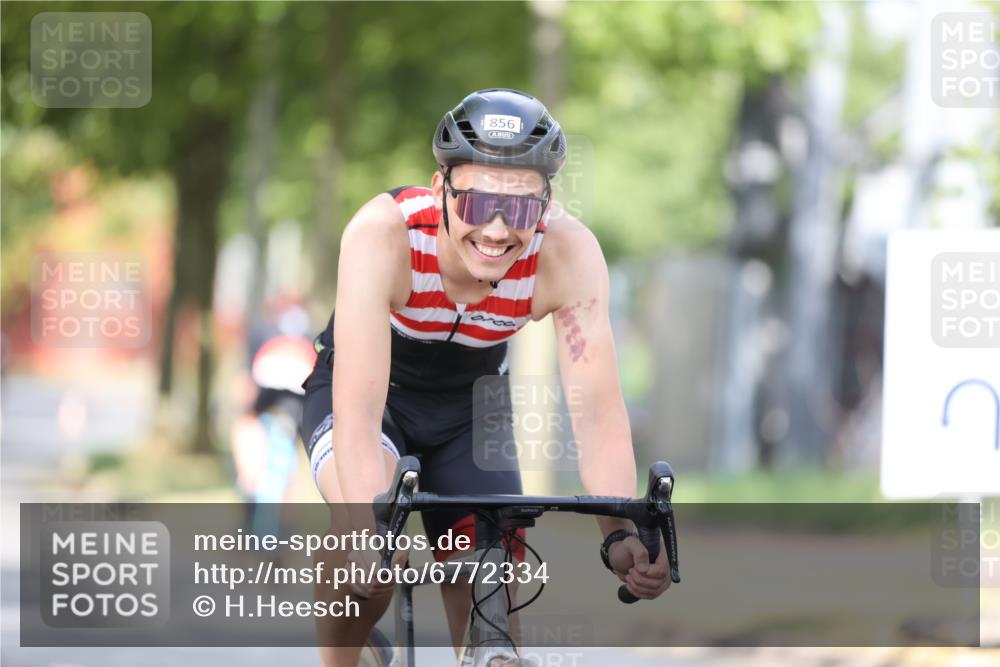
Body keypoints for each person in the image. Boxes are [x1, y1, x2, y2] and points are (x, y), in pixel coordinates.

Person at [300, 88, 671, 666]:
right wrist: (358, 527)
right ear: (439, 188)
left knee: (492, 593)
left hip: (472, 410)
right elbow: (359, 406)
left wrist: (620, 530)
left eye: (521, 209)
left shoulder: (566, 253)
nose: (498, 230)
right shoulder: (383, 233)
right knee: (368, 548)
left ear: (546, 204)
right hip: (371, 397)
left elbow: (597, 412)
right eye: (476, 203)